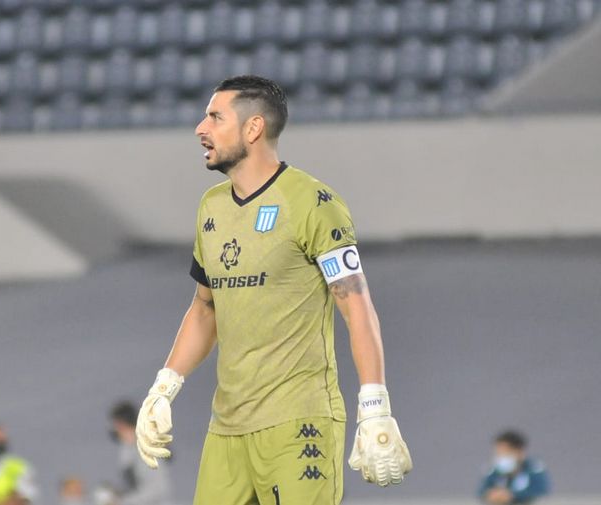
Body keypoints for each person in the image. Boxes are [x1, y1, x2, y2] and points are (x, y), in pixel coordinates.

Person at [133, 75, 412, 505]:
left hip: (299, 422)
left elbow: (356, 306)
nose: (200, 128)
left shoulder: (313, 202)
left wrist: (375, 405)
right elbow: (205, 309)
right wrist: (163, 388)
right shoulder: (211, 207)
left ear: (253, 128)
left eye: (215, 117)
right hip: (227, 430)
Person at [94, 401, 171, 505]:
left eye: (117, 425)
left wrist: (122, 502)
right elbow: (133, 485)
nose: (115, 429)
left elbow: (157, 490)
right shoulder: (128, 449)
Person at [479, 430, 550, 504]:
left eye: (506, 452)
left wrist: (512, 495)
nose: (502, 456)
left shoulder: (534, 469)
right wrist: (490, 494)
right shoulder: (494, 471)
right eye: (498, 453)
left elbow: (541, 491)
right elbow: (481, 491)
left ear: (520, 451)